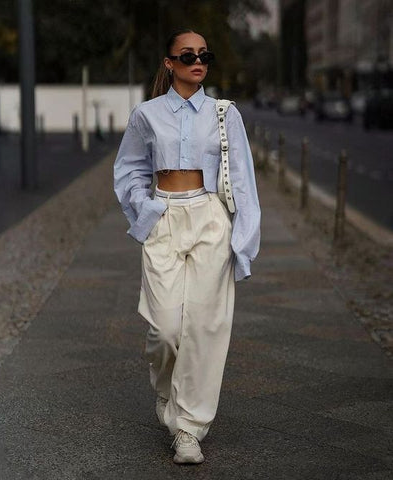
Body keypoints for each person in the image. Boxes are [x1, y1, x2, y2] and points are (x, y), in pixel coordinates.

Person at [113, 29, 261, 464]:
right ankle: (166, 392)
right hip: (164, 217)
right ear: (169, 63)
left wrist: (243, 242)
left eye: (204, 55)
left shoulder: (223, 113)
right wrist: (146, 208)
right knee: (164, 329)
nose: (198, 61)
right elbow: (129, 171)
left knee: (204, 329)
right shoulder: (146, 115)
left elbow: (244, 181)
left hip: (209, 219)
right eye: (187, 55)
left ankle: (189, 429)